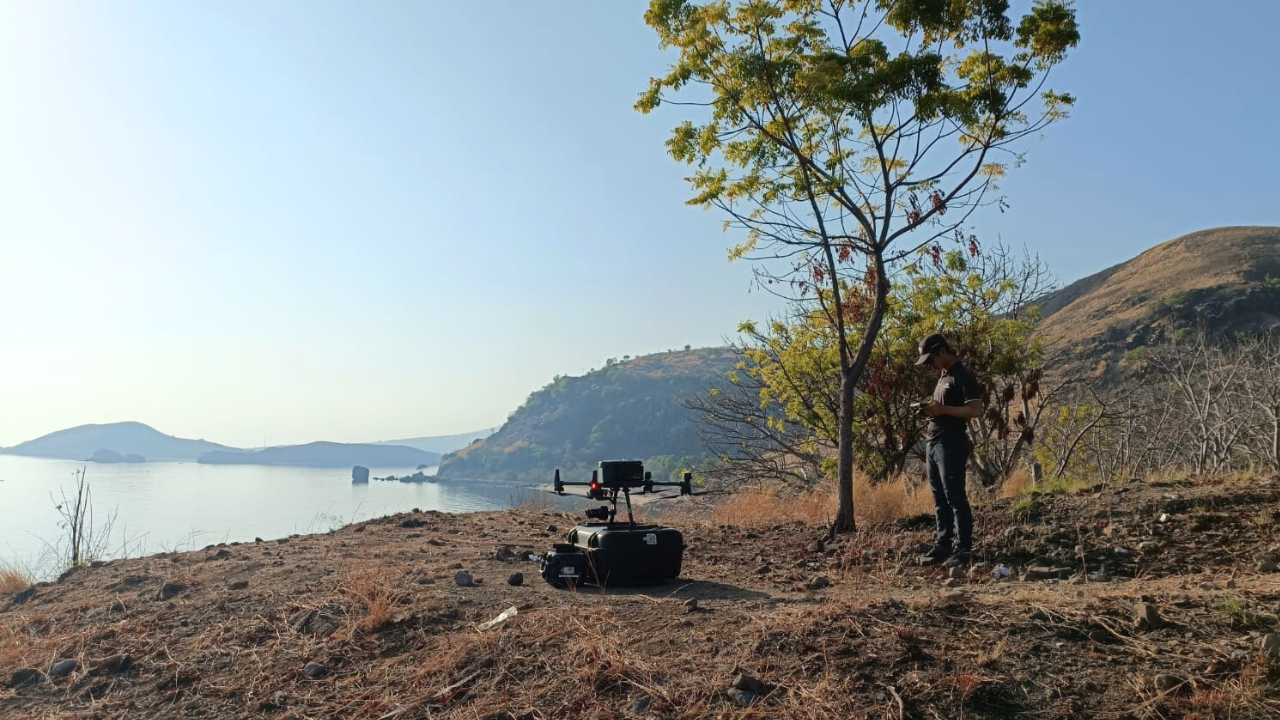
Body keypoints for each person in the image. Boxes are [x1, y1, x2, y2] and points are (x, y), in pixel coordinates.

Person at [915, 333, 984, 567]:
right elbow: (943, 408)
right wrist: (932, 409)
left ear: (942, 352)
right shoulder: (943, 376)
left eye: (931, 359)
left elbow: (975, 410)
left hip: (951, 443)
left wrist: (943, 410)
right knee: (939, 497)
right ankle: (943, 543)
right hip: (934, 442)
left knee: (955, 495)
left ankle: (963, 548)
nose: (930, 365)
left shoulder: (962, 375)